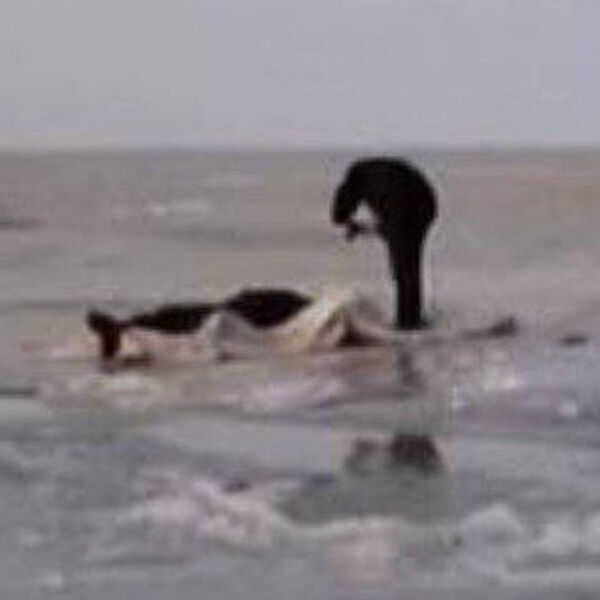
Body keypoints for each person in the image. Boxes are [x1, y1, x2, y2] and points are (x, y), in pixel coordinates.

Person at [331, 157, 438, 329]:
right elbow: (389, 228)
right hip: (425, 200)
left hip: (407, 199)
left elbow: (339, 215)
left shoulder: (362, 180)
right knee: (409, 264)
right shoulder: (370, 177)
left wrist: (348, 222)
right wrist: (361, 227)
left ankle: (407, 322)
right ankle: (411, 317)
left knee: (403, 268)